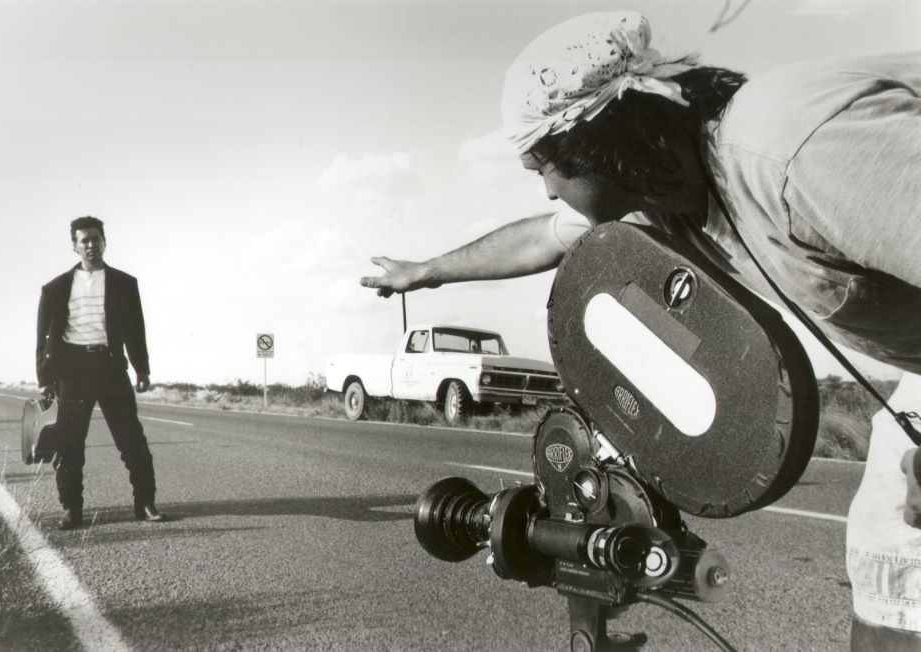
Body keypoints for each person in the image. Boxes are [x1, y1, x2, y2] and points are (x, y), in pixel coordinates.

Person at [360, 11, 921, 649]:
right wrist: (428, 272)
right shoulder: (658, 187)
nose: (548, 190)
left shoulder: (793, 149)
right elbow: (542, 241)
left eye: (547, 165)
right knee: (893, 577)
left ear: (606, 142)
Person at [36, 216, 166, 530]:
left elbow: (136, 331)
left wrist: (142, 369)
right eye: (85, 241)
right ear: (74, 246)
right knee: (69, 445)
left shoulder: (124, 283)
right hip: (73, 371)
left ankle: (145, 503)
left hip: (110, 368)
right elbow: (44, 339)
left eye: (96, 239)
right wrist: (45, 379)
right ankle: (72, 510)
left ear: (104, 241)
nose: (91, 245)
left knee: (131, 440)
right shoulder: (55, 288)